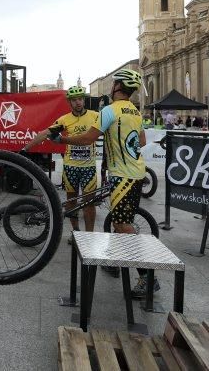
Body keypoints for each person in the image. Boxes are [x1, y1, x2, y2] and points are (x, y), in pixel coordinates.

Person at [47, 69, 155, 299]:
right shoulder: (134, 111)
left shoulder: (109, 110)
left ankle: (148, 277)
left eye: (114, 82)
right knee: (119, 221)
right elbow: (142, 140)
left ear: (118, 87)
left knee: (123, 225)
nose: (112, 85)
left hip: (123, 176)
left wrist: (63, 139)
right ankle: (116, 263)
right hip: (135, 172)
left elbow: (88, 138)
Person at [21, 86, 100, 241]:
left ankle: (89, 237)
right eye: (74, 100)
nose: (78, 102)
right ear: (70, 102)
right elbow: (45, 133)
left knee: (89, 203)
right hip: (70, 167)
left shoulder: (95, 116)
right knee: (72, 201)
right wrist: (25, 149)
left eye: (80, 99)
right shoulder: (64, 119)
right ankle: (76, 232)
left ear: (84, 100)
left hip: (88, 167)